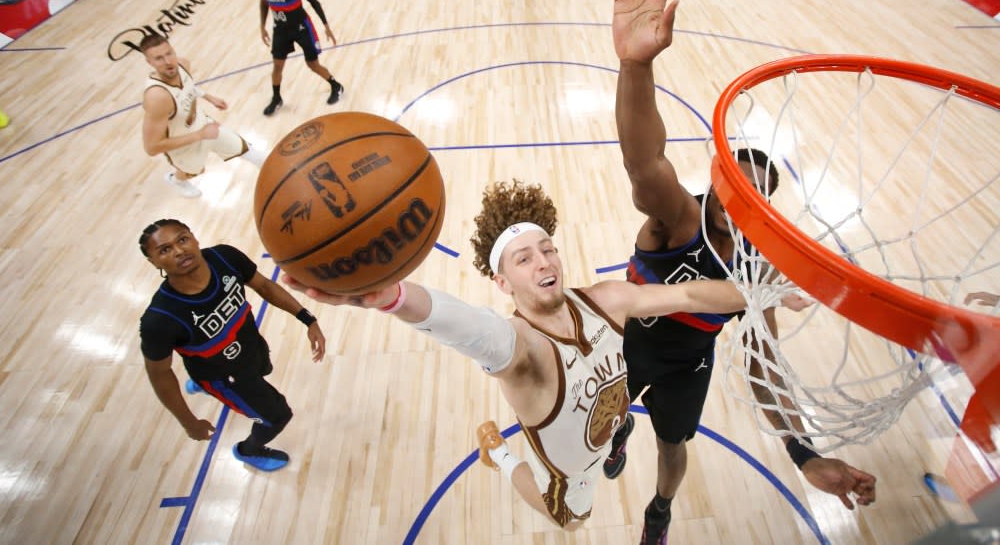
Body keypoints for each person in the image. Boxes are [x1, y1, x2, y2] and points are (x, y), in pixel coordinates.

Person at [283, 179, 812, 529]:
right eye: (523, 258)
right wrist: (396, 299)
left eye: (547, 248)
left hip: (605, 416)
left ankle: (614, 437)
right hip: (568, 474)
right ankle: (502, 456)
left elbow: (695, 295)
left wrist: (763, 292)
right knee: (572, 521)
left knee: (616, 411)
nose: (541, 261)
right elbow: (470, 329)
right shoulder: (520, 350)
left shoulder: (606, 299)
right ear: (502, 280)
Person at [605, 0, 877, 543]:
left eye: (758, 195)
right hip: (626, 345)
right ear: (717, 182)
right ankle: (618, 426)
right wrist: (636, 65)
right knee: (612, 413)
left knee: (673, 451)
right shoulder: (677, 218)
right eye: (735, 187)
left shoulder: (757, 264)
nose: (743, 201)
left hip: (687, 364)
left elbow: (764, 365)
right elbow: (644, 163)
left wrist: (804, 453)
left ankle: (659, 511)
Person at [139, 219, 326, 471]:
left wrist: (307, 319)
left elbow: (263, 285)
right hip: (224, 377)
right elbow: (160, 374)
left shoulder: (224, 258)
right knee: (277, 416)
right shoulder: (160, 319)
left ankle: (201, 384)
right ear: (154, 262)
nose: (179, 250)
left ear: (194, 238)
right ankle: (249, 450)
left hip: (251, 347)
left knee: (264, 369)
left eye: (182, 239)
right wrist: (188, 422)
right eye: (164, 250)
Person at [139, 34, 266, 198]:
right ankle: (175, 180)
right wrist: (200, 135)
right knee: (192, 172)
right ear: (149, 62)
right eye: (159, 58)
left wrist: (208, 97)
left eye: (169, 53)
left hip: (204, 126)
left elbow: (188, 87)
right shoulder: (157, 97)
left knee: (252, 152)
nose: (168, 61)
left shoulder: (182, 64)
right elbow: (152, 147)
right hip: (183, 146)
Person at [254, 0, 344, 115]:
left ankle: (336, 85)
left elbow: (314, 1)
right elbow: (264, 3)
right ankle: (276, 98)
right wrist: (262, 26)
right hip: (280, 29)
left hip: (301, 28)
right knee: (277, 66)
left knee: (313, 65)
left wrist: (326, 26)